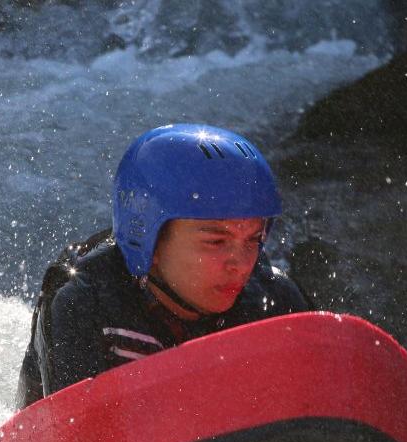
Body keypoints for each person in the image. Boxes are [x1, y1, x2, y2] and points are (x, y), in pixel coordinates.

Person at [16, 123, 311, 408]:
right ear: (149, 243)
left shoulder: (272, 301)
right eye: (216, 242)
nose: (242, 265)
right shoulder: (84, 301)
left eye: (253, 239)